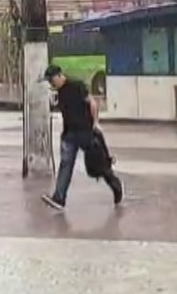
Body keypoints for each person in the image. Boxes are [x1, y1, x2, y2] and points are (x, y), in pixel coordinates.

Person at [42, 65, 122, 212]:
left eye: (52, 80)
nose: (51, 84)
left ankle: (115, 186)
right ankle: (59, 198)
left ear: (59, 76)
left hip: (85, 132)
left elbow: (92, 103)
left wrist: (95, 123)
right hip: (69, 135)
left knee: (99, 164)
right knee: (66, 164)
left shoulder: (76, 86)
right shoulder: (59, 92)